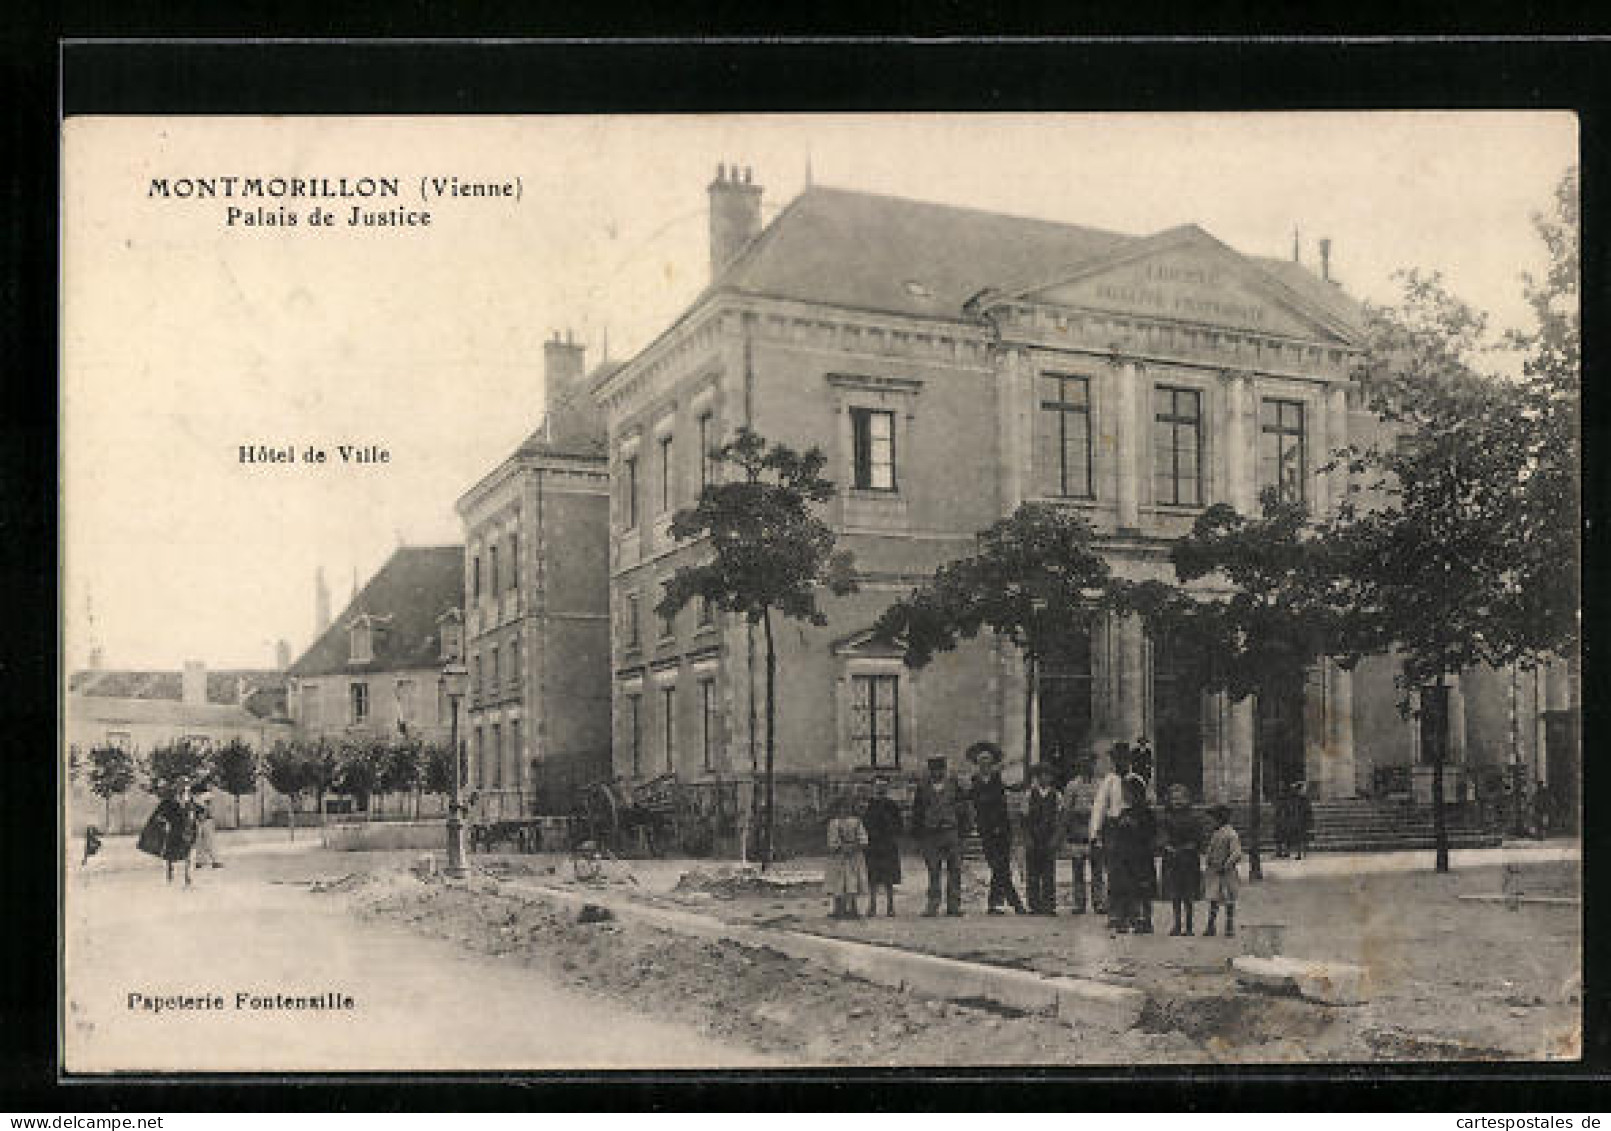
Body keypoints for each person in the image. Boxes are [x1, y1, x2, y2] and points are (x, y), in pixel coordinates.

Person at [967, 741, 1026, 915]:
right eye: (981, 763)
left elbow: (1002, 804)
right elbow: (974, 803)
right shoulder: (974, 782)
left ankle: (998, 904)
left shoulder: (998, 780)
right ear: (978, 765)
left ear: (992, 764)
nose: (985, 766)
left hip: (1001, 829)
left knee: (1001, 866)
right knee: (997, 866)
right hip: (986, 829)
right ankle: (1014, 904)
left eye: (988, 762)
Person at [910, 754, 969, 917]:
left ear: (945, 770)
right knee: (933, 870)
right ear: (929, 771)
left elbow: (964, 810)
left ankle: (954, 905)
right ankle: (933, 904)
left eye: (940, 770)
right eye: (934, 770)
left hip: (951, 831)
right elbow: (917, 812)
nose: (937, 773)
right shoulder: (922, 788)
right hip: (931, 834)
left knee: (955, 869)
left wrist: (963, 833)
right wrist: (917, 836)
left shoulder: (955, 786)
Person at [1105, 774, 1157, 933]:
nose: (1126, 796)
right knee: (1126, 888)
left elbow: (1150, 834)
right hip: (1125, 858)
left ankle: (1146, 920)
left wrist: (1134, 826)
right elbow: (1117, 835)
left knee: (1144, 889)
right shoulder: (1124, 813)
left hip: (1141, 857)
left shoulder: (1146, 813)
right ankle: (1126, 919)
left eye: (1128, 792)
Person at [1086, 743, 1130, 917]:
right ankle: (1115, 911)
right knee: (1114, 871)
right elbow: (1099, 807)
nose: (1121, 762)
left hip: (1132, 829)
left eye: (1124, 759)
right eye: (1117, 759)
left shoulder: (1136, 779)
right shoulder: (1109, 781)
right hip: (1114, 828)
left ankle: (1132, 910)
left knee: (1132, 870)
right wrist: (1095, 832)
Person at [1159, 784, 1204, 935]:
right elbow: (1163, 837)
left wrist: (1189, 847)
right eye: (1174, 798)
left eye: (1181, 798)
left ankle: (1189, 926)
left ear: (1188, 799)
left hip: (1188, 860)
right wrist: (1167, 846)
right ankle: (1177, 924)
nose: (1178, 801)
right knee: (1175, 894)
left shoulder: (1193, 818)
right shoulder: (1166, 818)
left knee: (1188, 895)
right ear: (1169, 800)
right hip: (1172, 861)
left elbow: (1198, 839)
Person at [137, 782, 199, 886]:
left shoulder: (191, 803)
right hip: (175, 833)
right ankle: (170, 878)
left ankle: (189, 881)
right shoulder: (169, 803)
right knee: (171, 857)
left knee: (190, 855)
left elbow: (199, 814)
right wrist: (164, 823)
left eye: (187, 790)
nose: (185, 792)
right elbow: (159, 816)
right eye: (183, 790)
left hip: (189, 832)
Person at [1060, 755, 1099, 914]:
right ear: (1079, 766)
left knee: (1097, 869)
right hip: (1077, 830)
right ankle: (1079, 903)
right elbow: (1066, 809)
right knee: (1078, 869)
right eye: (1083, 764)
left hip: (1095, 830)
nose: (1087, 766)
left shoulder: (1100, 784)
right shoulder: (1072, 785)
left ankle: (1099, 901)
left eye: (1090, 763)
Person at [861, 774, 903, 917]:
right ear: (873, 787)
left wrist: (892, 830)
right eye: (878, 786)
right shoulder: (869, 805)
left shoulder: (892, 805)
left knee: (889, 878)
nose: (880, 788)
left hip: (888, 844)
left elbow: (899, 825)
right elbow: (864, 824)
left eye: (883, 786)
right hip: (872, 845)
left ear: (887, 788)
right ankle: (872, 906)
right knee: (872, 877)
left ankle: (890, 907)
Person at [823, 795, 869, 920]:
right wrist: (841, 848)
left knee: (852, 881)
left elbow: (864, 839)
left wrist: (853, 847)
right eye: (841, 808)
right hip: (838, 858)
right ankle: (838, 909)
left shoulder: (857, 822)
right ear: (837, 809)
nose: (844, 810)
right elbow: (832, 842)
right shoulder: (834, 823)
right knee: (838, 882)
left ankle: (853, 908)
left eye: (847, 807)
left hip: (854, 857)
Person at [1023, 764, 1061, 914]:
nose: (1045, 778)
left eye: (1048, 775)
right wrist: (1027, 838)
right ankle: (1034, 905)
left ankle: (1049, 904)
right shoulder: (1029, 795)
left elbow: (1059, 818)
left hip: (1049, 838)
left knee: (1048, 872)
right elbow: (1024, 818)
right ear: (1037, 777)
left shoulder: (1056, 795)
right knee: (1033, 873)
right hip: (1034, 838)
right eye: (1042, 775)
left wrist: (1056, 839)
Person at [1203, 804, 1243, 938]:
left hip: (1226, 873)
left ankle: (1229, 926)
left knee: (1228, 899)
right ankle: (1211, 925)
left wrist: (1226, 865)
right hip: (1215, 871)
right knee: (1213, 898)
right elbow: (1210, 850)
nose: (1211, 821)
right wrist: (1208, 861)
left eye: (1213, 818)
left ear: (1220, 819)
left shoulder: (1231, 834)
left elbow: (1237, 853)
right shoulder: (1216, 833)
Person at [191, 793, 224, 869]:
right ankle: (200, 861)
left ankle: (214, 860)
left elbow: (208, 809)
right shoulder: (194, 800)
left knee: (209, 841)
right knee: (199, 841)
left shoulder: (205, 800)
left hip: (206, 821)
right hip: (199, 821)